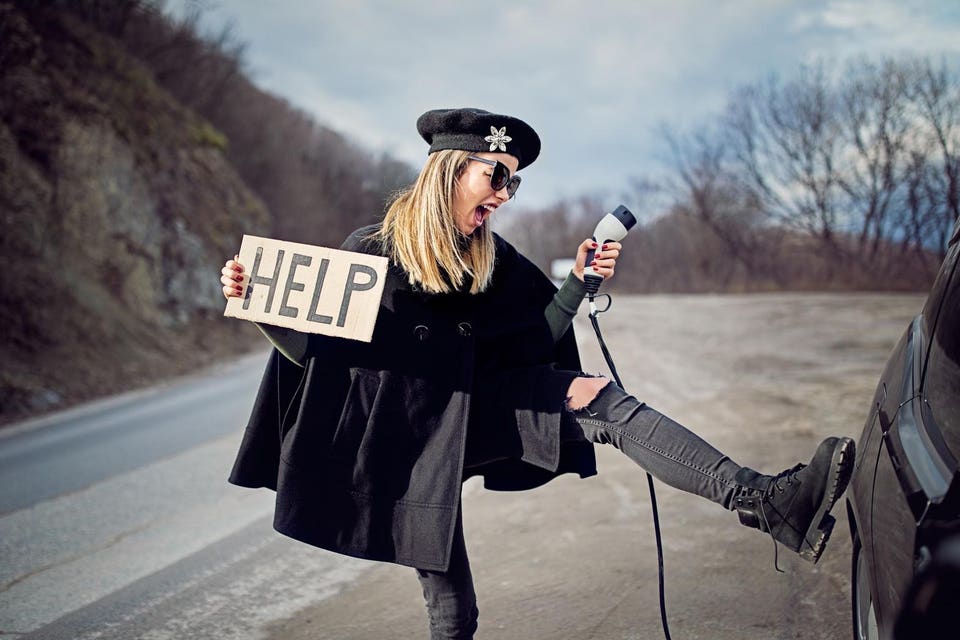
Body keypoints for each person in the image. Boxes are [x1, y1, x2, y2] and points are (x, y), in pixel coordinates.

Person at [220, 107, 855, 639]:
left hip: (475, 410)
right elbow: (320, 356)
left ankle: (767, 501)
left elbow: (534, 338)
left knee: (597, 399)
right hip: (406, 438)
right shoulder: (373, 248)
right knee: (454, 610)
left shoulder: (491, 256)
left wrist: (578, 282)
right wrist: (258, 306)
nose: (503, 194)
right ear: (449, 170)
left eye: (513, 183)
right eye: (495, 175)